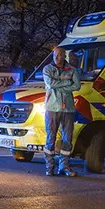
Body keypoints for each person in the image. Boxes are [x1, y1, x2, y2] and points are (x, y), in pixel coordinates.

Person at [42, 47, 82, 177]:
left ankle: (64, 166)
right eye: (55, 55)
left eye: (59, 55)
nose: (56, 57)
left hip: (68, 109)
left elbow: (77, 86)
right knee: (50, 138)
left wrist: (60, 83)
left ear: (64, 56)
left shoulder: (72, 69)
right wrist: (66, 82)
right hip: (52, 108)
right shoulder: (47, 69)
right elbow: (51, 84)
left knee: (67, 139)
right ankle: (49, 167)